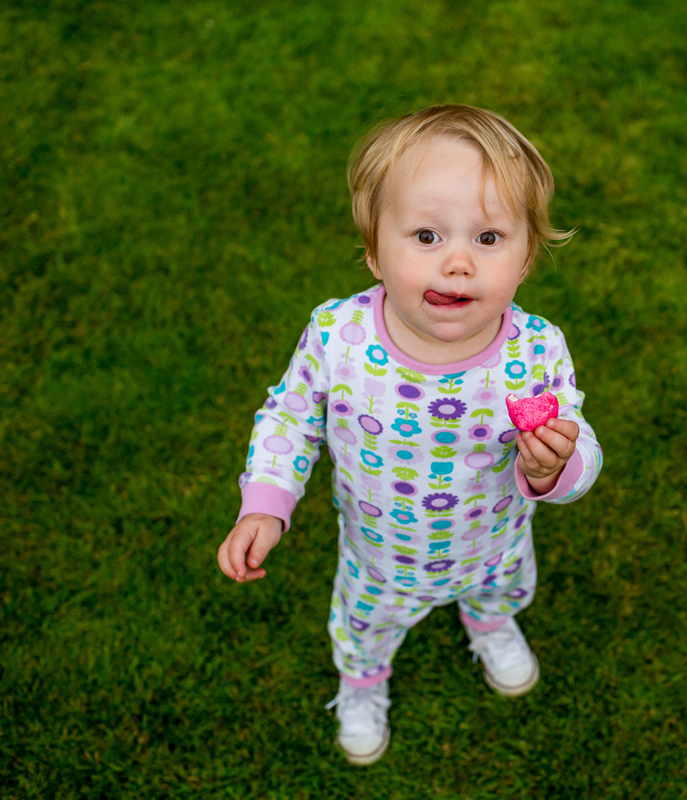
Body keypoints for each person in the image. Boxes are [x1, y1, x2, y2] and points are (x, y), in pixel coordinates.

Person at [215, 105, 603, 766]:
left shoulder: (536, 353)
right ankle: (363, 683)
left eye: (488, 238)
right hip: (380, 555)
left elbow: (581, 446)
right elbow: (288, 418)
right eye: (426, 236)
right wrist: (265, 503)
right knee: (365, 628)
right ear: (373, 252)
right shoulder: (340, 338)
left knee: (502, 586)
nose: (457, 263)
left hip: (493, 539)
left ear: (527, 258)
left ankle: (488, 621)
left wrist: (553, 468)